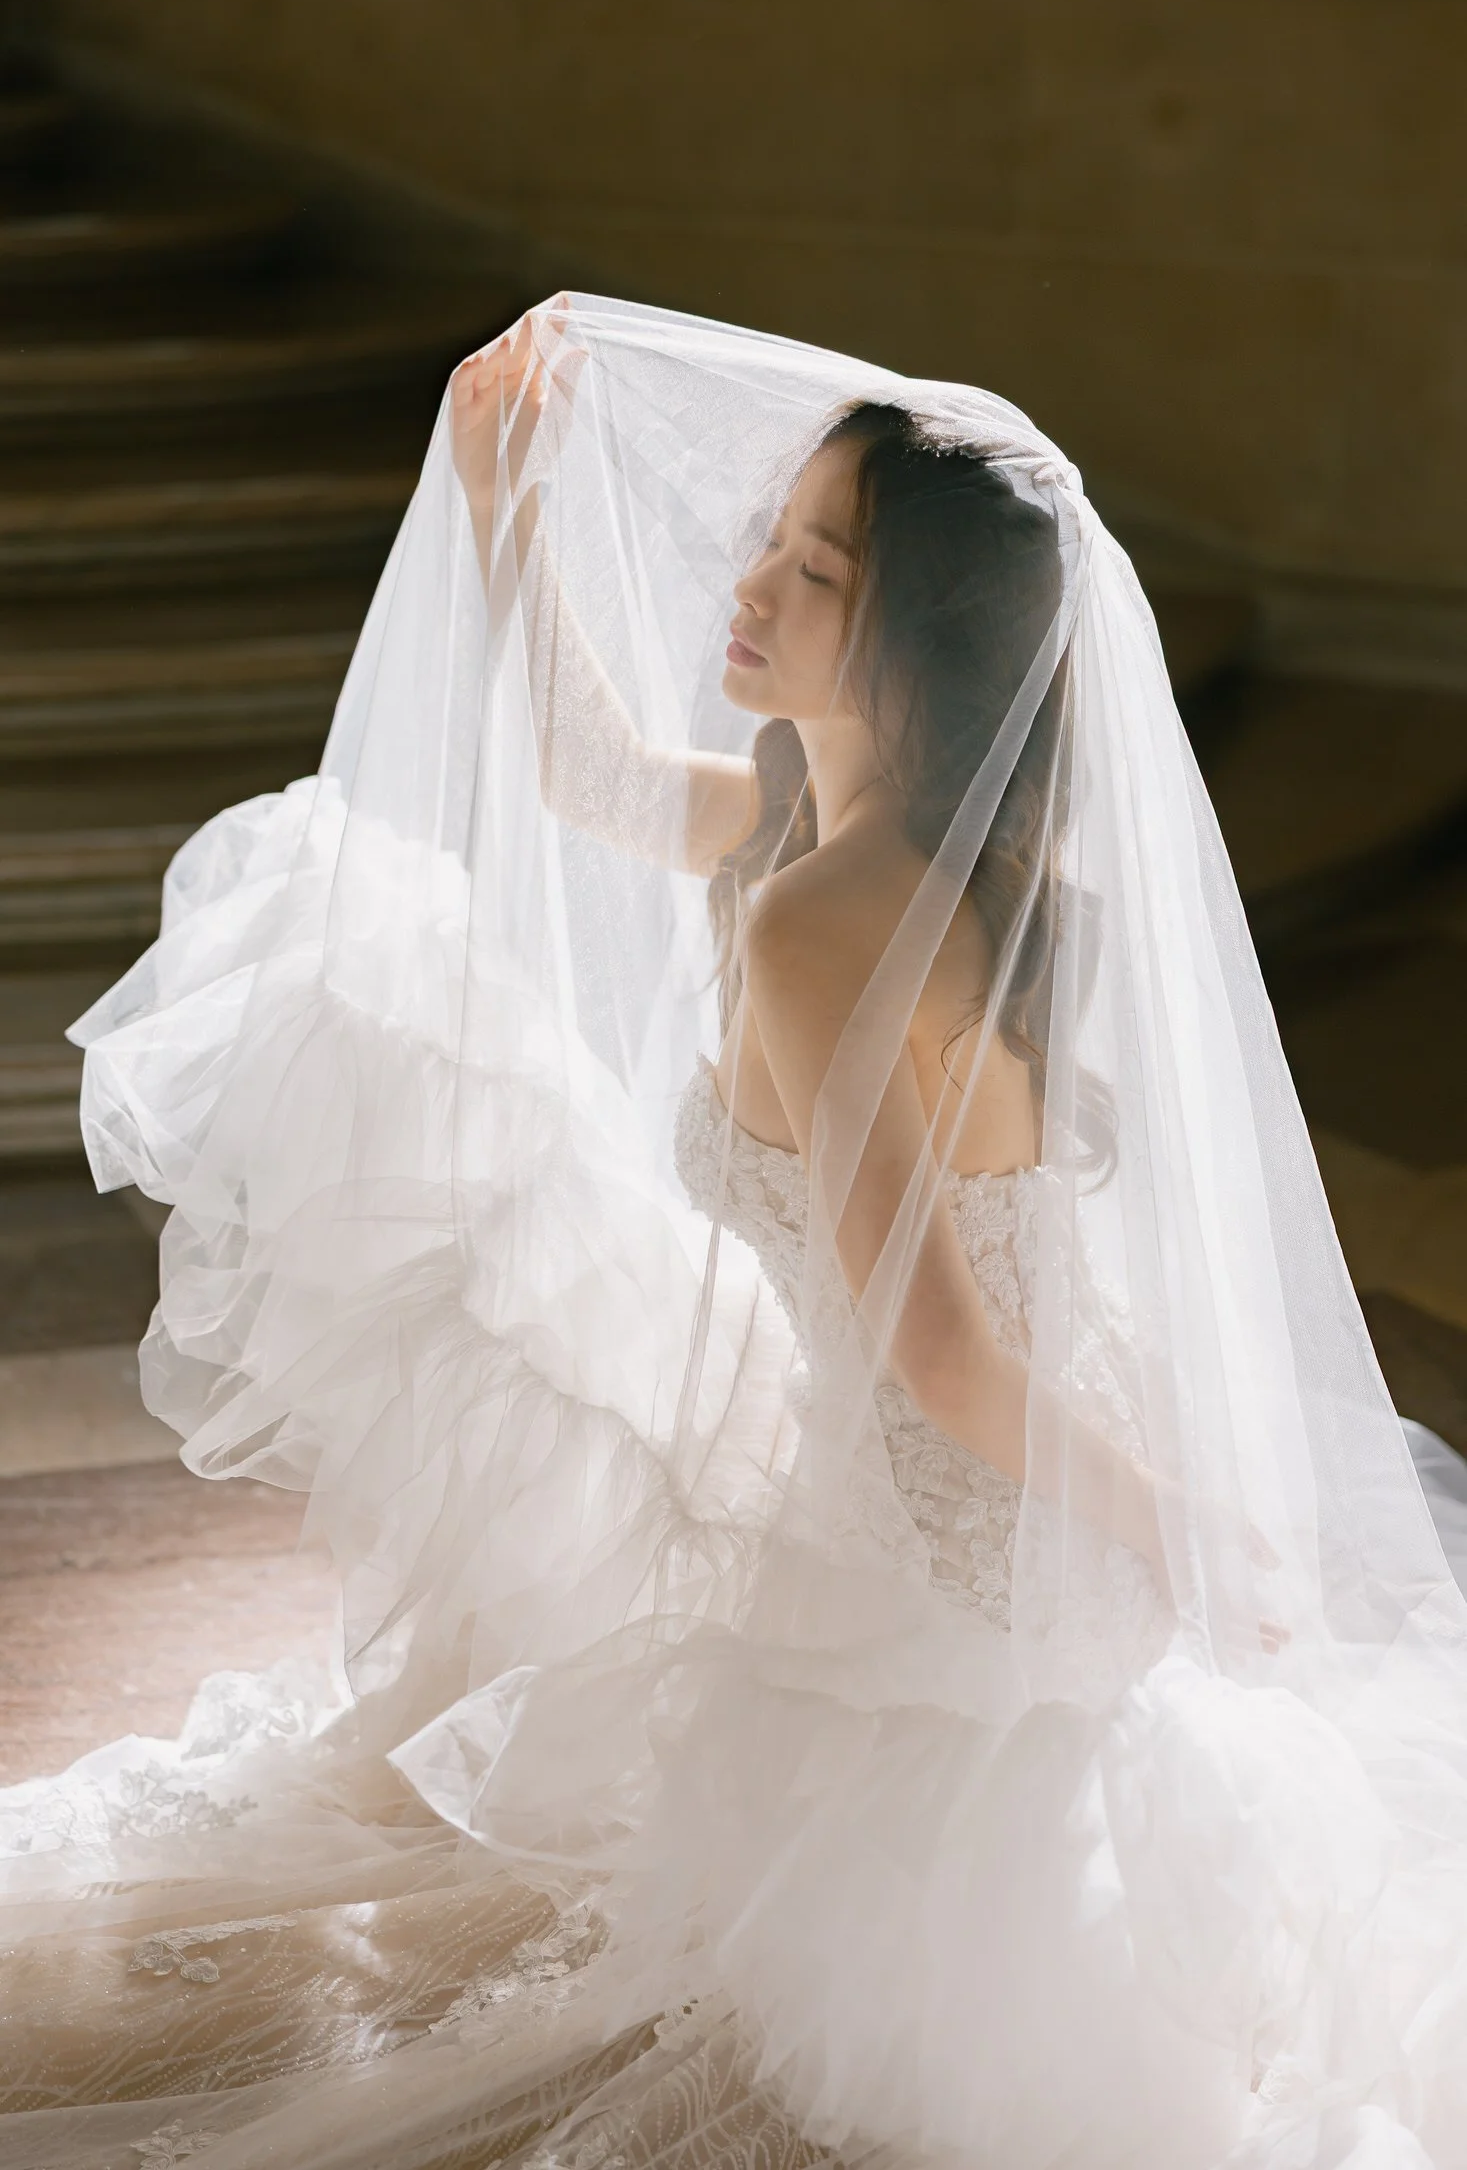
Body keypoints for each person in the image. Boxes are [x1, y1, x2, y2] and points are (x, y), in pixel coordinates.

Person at [3, 295, 1467, 2170]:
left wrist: (1171, 1523)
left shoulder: (823, 918)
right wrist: (509, 512)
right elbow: (596, 785)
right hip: (1010, 1466)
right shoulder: (838, 832)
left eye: (818, 568)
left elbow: (943, 1352)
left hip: (954, 1515)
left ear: (918, 642)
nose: (753, 583)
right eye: (770, 537)